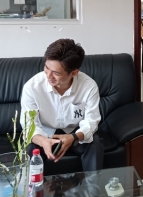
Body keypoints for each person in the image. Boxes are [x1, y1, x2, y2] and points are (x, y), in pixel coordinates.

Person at [22, 38, 103, 172]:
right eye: (47, 68)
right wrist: (43, 141)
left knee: (94, 143)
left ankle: (93, 185)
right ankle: (34, 186)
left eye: (56, 73)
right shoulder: (32, 87)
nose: (49, 76)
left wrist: (74, 137)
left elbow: (91, 121)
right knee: (30, 149)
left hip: (75, 133)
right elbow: (29, 125)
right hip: (44, 134)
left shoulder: (89, 86)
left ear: (74, 73)